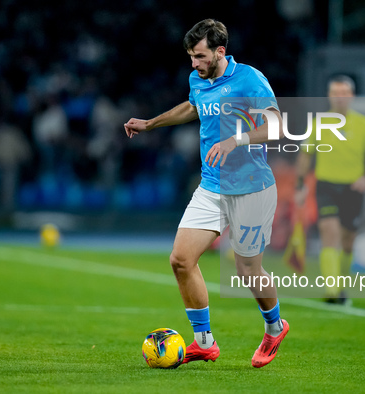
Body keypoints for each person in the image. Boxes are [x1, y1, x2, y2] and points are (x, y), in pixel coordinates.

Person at [123, 19, 289, 368]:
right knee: (181, 260)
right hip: (212, 186)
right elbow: (193, 107)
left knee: (247, 269)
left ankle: (274, 327)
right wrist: (151, 123)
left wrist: (236, 139)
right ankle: (204, 342)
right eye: (190, 57)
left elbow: (276, 124)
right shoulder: (197, 80)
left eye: (199, 56)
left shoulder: (249, 79)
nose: (194, 64)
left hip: (251, 188)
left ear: (220, 52)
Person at [295, 75, 365, 303]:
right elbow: (305, 156)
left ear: (351, 96)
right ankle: (332, 291)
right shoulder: (318, 123)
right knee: (329, 233)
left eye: (344, 93)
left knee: (348, 241)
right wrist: (301, 184)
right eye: (335, 93)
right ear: (329, 96)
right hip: (326, 186)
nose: (340, 98)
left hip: (354, 188)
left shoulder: (364, 124)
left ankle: (340, 286)